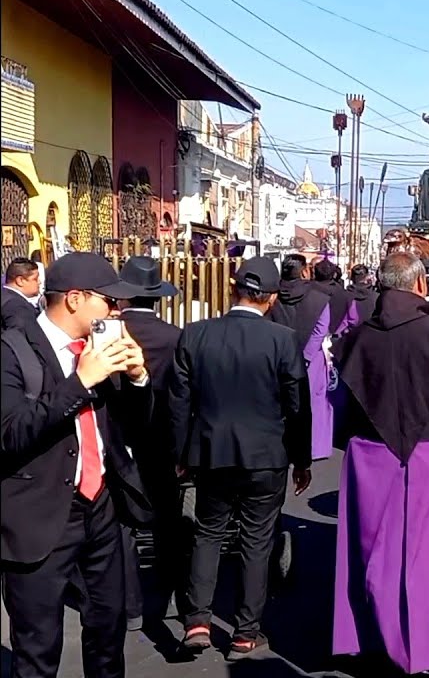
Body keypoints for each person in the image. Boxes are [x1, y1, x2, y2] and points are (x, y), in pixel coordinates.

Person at [331, 253, 429, 676]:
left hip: (368, 455)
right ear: (419, 285)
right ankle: (428, 651)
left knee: (371, 554)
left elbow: (341, 402)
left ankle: (372, 641)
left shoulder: (354, 339)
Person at [1, 252, 153, 678]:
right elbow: (9, 434)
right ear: (74, 299)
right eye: (109, 301)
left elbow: (135, 427)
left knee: (108, 632)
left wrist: (138, 378)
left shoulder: (101, 347)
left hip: (101, 506)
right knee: (38, 647)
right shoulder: (12, 349)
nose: (117, 311)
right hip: (38, 513)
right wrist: (80, 382)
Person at [170, 257, 312, 658]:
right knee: (256, 540)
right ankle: (245, 631)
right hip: (266, 454)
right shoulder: (282, 340)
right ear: (271, 298)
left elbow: (179, 402)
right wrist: (301, 459)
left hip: (211, 451)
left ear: (234, 290)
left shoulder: (195, 334)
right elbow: (297, 405)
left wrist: (181, 452)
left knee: (207, 533)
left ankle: (197, 621)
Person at [115, 256, 182, 629]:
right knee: (166, 516)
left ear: (124, 296)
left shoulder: (109, 335)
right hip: (162, 435)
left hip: (116, 434)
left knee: (122, 520)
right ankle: (167, 585)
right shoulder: (175, 337)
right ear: (158, 297)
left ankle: (129, 601)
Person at [267, 253, 333, 460]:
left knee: (280, 400)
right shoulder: (318, 297)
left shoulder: (273, 295)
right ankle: (313, 448)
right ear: (304, 271)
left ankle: (282, 445)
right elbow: (321, 329)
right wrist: (306, 356)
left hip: (278, 355)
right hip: (311, 359)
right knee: (313, 402)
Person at [2, 256, 41, 330]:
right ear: (20, 281)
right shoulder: (16, 306)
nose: (39, 282)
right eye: (35, 279)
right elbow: (20, 334)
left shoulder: (5, 297)